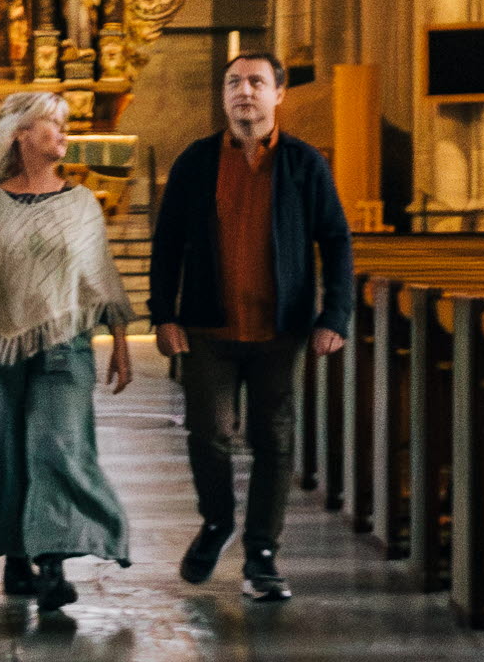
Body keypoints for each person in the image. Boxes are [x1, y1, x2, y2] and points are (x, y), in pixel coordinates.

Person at [147, 50, 355, 600]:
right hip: (208, 328)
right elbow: (167, 242)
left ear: (278, 94)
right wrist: (163, 313)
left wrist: (335, 315)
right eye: (234, 82)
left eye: (256, 83)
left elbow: (336, 240)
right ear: (223, 95)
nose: (244, 91)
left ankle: (262, 552)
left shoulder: (304, 163)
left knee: (273, 438)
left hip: (279, 330)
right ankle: (217, 522)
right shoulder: (196, 161)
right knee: (209, 433)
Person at [0, 89, 136, 608]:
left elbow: (100, 280)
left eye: (65, 124)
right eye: (52, 123)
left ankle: (52, 566)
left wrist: (121, 344)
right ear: (20, 134)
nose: (64, 133)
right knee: (3, 452)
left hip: (65, 347)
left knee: (58, 449)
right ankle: (17, 558)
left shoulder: (81, 203)